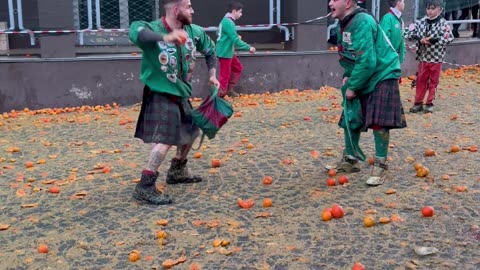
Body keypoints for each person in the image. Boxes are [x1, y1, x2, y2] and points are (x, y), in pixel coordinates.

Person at [128, 0, 218, 205]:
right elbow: (138, 33)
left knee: (192, 131)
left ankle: (177, 170)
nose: (192, 10)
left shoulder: (194, 32)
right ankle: (145, 186)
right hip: (160, 92)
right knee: (167, 137)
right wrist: (167, 37)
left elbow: (211, 51)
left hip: (181, 93)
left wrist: (212, 75)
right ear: (176, 10)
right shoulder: (152, 28)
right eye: (188, 6)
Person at [326, 0, 407, 186]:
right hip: (364, 72)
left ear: (347, 3)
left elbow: (367, 60)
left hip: (382, 73)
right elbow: (349, 53)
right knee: (351, 115)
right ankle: (350, 159)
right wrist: (348, 76)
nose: (330, 2)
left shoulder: (361, 21)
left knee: (378, 121)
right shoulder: (345, 23)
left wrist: (353, 87)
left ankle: (380, 164)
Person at [404, 0, 454, 114]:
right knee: (421, 80)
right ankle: (418, 103)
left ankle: (429, 103)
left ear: (439, 9)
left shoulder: (443, 23)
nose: (430, 11)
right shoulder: (420, 22)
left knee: (433, 82)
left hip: (436, 58)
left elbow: (449, 37)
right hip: (423, 57)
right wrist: (418, 39)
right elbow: (406, 32)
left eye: (433, 8)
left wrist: (434, 40)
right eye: (428, 8)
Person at [216, 1, 256, 98]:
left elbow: (221, 34)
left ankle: (229, 90)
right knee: (224, 75)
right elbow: (235, 40)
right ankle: (221, 95)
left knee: (237, 67)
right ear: (234, 11)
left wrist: (235, 37)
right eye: (240, 12)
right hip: (225, 52)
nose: (241, 14)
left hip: (227, 51)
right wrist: (248, 47)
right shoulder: (228, 22)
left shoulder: (226, 21)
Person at [380, 0, 406, 64]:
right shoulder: (387, 18)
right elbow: (383, 41)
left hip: (396, 59)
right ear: (398, 2)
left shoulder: (400, 19)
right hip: (388, 61)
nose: (404, 4)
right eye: (403, 1)